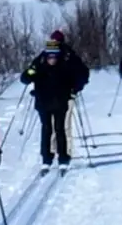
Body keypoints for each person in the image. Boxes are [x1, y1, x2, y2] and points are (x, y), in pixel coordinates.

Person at [20, 32, 87, 170]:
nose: (52, 59)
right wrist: (30, 73)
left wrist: (75, 89)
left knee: (60, 128)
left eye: (54, 56)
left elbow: (78, 74)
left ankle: (63, 157)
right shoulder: (40, 62)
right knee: (47, 129)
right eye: (49, 56)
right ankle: (47, 157)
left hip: (61, 101)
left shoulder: (67, 59)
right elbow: (26, 77)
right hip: (44, 102)